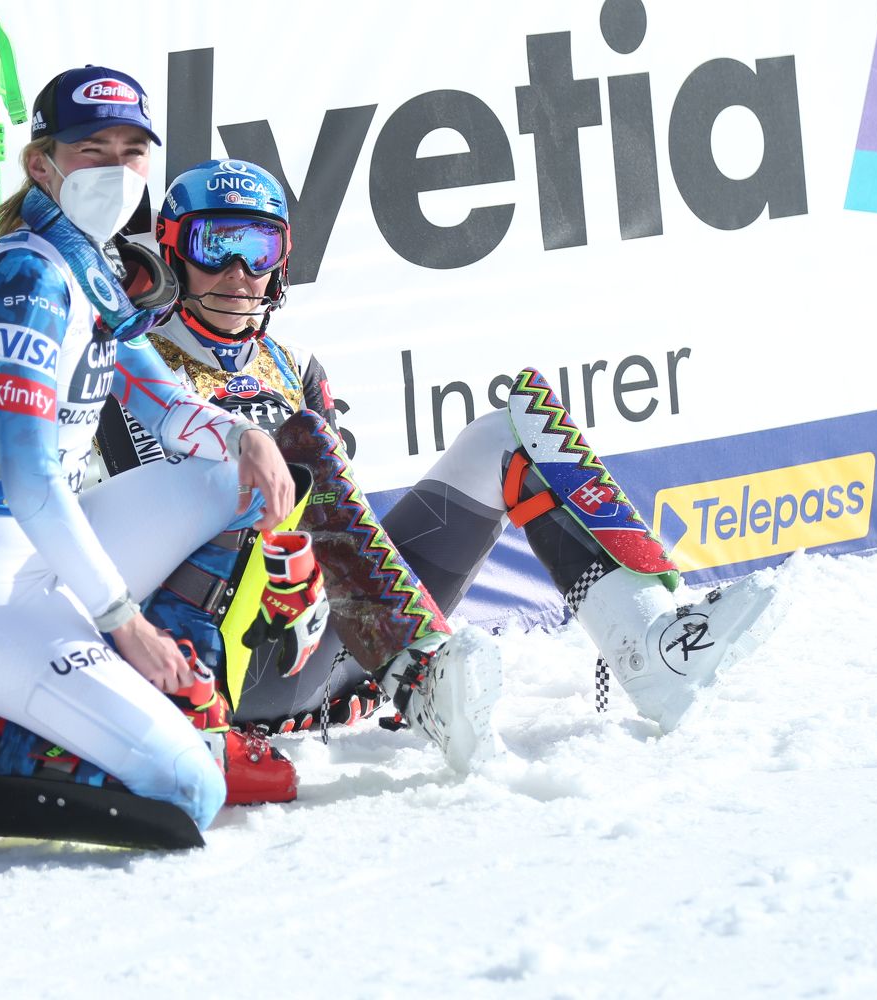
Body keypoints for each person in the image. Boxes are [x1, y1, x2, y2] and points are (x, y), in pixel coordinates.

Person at [92, 158, 783, 797]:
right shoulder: (126, 364)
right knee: (299, 449)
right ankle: (422, 676)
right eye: (216, 245)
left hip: (328, 643)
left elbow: (340, 521)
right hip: (207, 659)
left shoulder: (295, 365)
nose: (239, 271)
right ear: (173, 251)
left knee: (509, 430)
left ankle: (652, 646)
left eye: (259, 247)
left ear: (283, 261)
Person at [0, 68, 300, 841]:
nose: (116, 170)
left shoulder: (90, 267)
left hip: (48, 558)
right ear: (43, 165)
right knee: (190, 790)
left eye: (132, 151)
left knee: (234, 479)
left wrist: (248, 437)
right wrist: (126, 625)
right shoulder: (25, 279)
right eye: (92, 150)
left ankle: (178, 704)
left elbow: (168, 405)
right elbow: (31, 482)